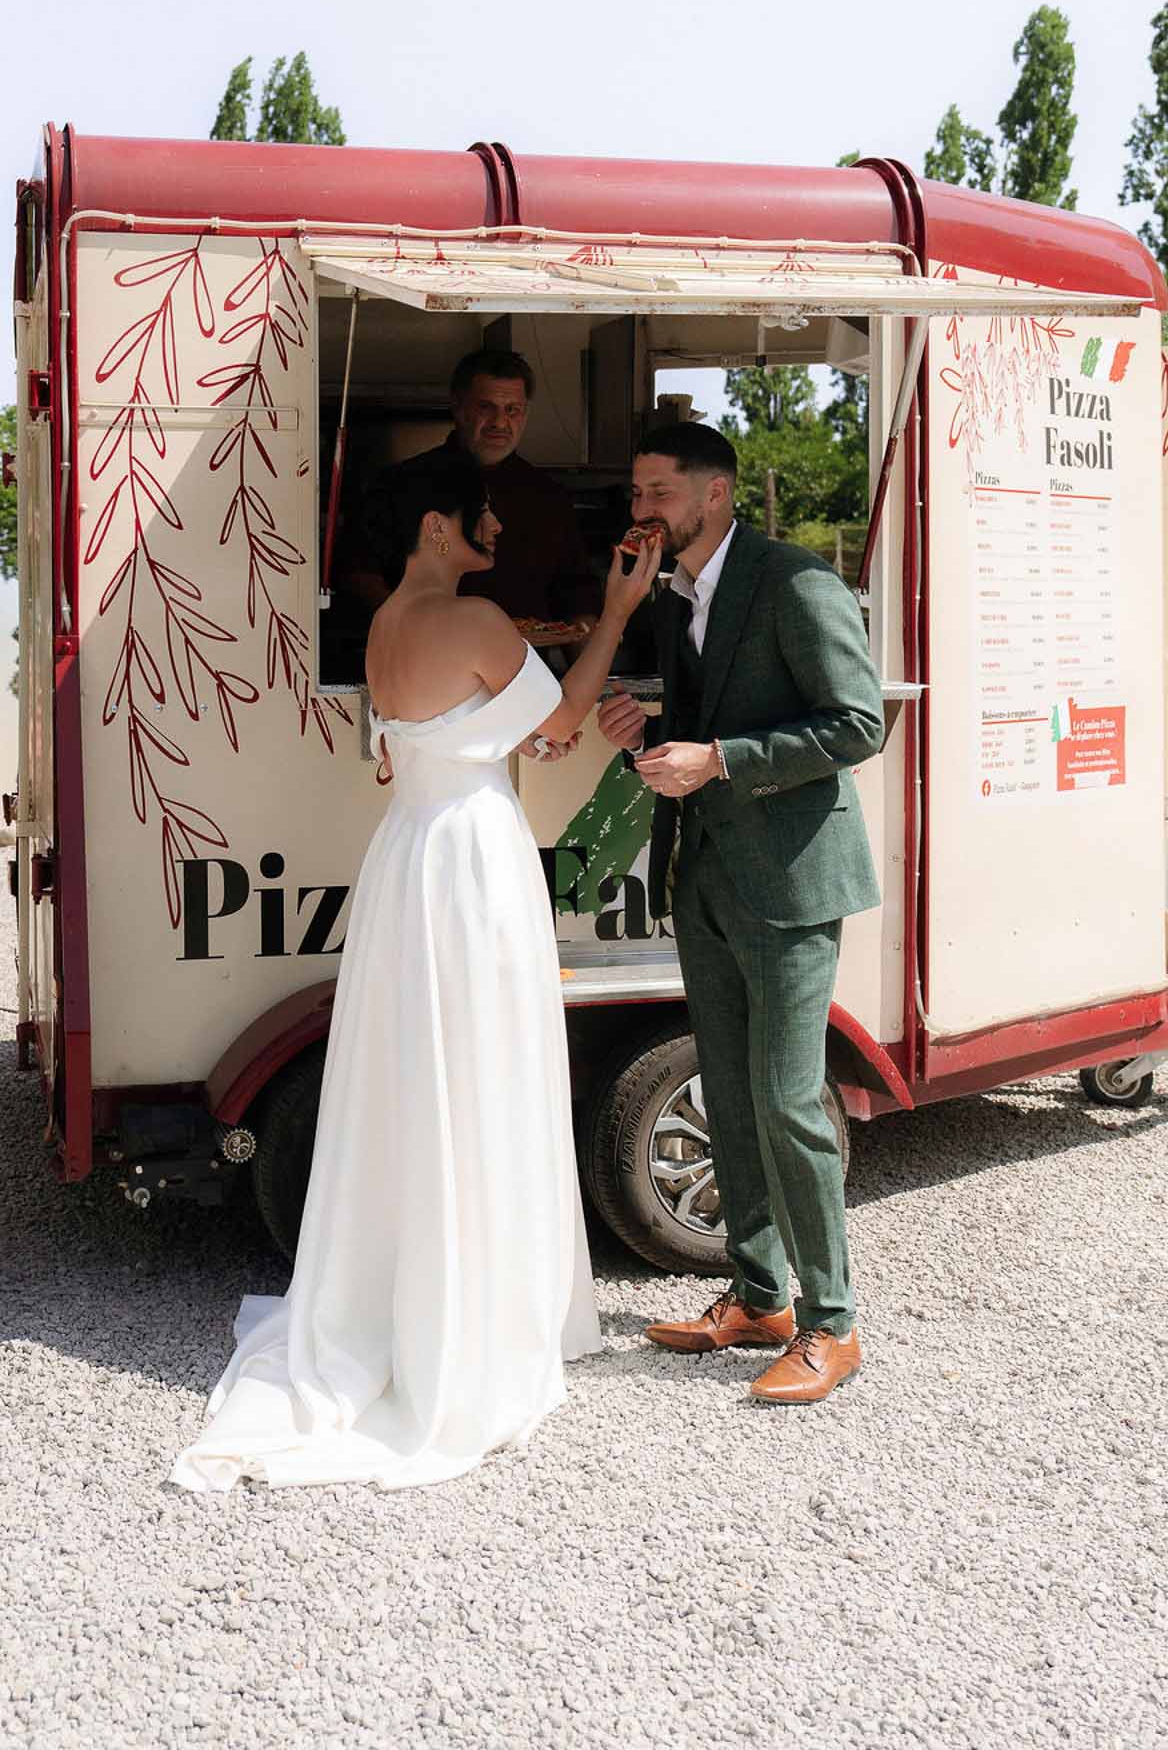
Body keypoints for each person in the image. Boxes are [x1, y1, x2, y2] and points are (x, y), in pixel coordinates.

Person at [171, 444, 661, 1491]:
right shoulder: (475, 623)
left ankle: (405, 1294)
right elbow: (562, 727)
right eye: (480, 524)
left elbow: (440, 740)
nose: (497, 538)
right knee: (478, 1070)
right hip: (472, 856)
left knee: (412, 1074)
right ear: (435, 528)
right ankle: (478, 1313)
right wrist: (617, 613)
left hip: (406, 851)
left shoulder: (386, 624)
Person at [597, 424, 884, 1405]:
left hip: (792, 879)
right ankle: (758, 1295)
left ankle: (831, 1322)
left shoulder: (798, 582)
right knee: (728, 1086)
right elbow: (706, 717)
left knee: (788, 1097)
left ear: (715, 493)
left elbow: (858, 722)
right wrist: (655, 730)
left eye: (659, 487)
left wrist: (719, 758)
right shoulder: (678, 597)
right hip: (707, 875)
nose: (643, 505)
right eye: (639, 486)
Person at [447, 348, 597, 624]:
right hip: (430, 661)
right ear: (458, 407)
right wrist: (412, 630)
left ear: (525, 413)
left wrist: (591, 660)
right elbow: (362, 575)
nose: (500, 422)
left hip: (531, 663)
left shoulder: (549, 497)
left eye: (512, 410)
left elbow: (576, 595)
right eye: (485, 407)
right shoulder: (404, 485)